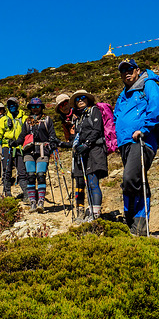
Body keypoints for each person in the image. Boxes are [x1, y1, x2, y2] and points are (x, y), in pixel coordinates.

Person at [114, 58, 159, 235]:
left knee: (131, 178)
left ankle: (140, 223)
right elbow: (117, 116)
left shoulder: (148, 84)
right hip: (125, 143)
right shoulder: (123, 94)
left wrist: (144, 128)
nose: (127, 73)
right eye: (123, 71)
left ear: (137, 70)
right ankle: (132, 222)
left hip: (143, 140)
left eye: (130, 69)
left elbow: (154, 107)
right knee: (130, 181)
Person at [69, 90, 108, 221]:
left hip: (95, 151)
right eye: (77, 99)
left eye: (83, 98)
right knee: (89, 182)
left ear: (88, 99)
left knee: (93, 182)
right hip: (86, 153)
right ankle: (92, 211)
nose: (80, 100)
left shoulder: (94, 111)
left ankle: (95, 213)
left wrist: (86, 144)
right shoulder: (79, 117)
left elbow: (97, 129)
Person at [19, 98, 60, 211]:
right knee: (31, 176)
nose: (35, 109)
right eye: (33, 106)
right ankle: (33, 202)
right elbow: (22, 135)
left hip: (43, 150)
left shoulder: (47, 120)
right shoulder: (27, 121)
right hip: (29, 150)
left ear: (41, 107)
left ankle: (41, 202)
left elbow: (52, 134)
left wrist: (53, 142)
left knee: (41, 175)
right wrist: (16, 142)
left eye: (37, 106)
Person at [0, 97, 29, 199]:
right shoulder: (4, 119)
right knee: (7, 170)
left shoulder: (24, 118)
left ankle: (26, 193)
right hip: (7, 147)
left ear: (17, 105)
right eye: (9, 105)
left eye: (13, 104)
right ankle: (7, 192)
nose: (11, 106)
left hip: (19, 147)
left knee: (21, 170)